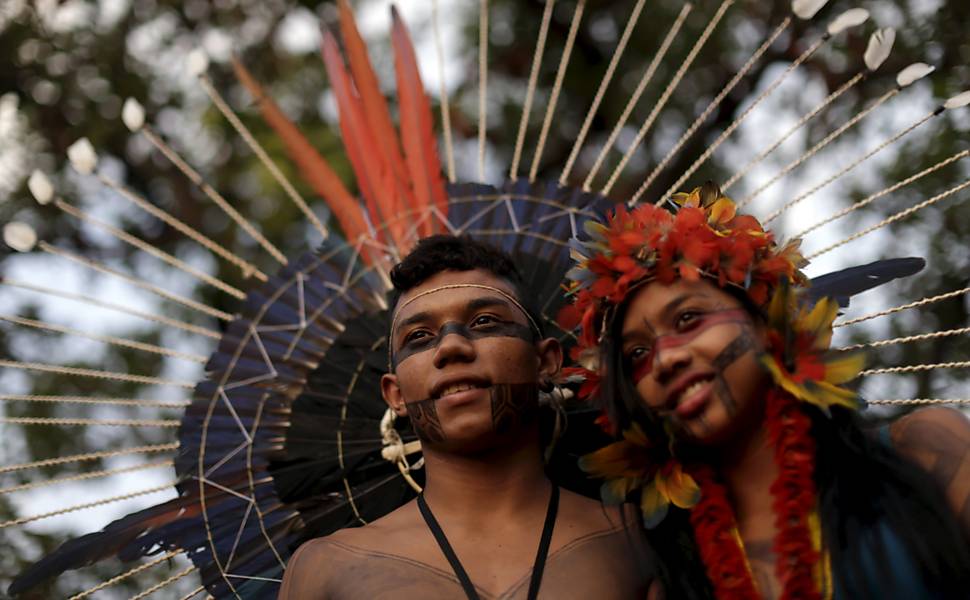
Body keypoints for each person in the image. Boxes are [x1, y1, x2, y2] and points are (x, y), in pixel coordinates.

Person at [565, 183, 970, 599]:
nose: (666, 359)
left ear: (764, 323)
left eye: (688, 319)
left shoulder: (927, 449)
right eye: (636, 354)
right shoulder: (671, 584)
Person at [279, 235, 654, 599]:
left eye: (485, 322)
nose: (452, 346)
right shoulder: (325, 569)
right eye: (420, 336)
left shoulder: (636, 542)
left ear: (546, 362)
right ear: (396, 395)